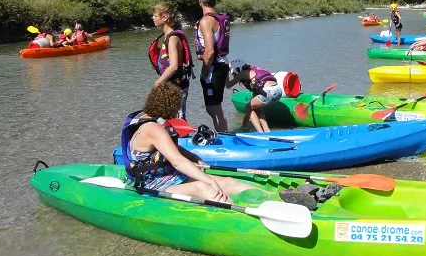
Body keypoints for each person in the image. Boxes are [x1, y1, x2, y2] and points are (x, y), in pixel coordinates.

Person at [120, 83, 315, 208]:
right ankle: (245, 216)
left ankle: (283, 198)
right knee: (205, 188)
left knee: (228, 182)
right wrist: (208, 180)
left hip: (169, 178)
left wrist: (196, 159)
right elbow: (177, 162)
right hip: (151, 185)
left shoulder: (150, 123)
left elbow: (172, 150)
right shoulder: (153, 128)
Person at [194, 0, 231, 131]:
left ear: (200, 0)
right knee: (213, 108)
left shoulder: (206, 21)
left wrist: (204, 72)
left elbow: (209, 51)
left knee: (215, 110)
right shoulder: (221, 19)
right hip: (222, 64)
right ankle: (224, 135)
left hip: (213, 68)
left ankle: (225, 140)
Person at [148, 3, 193, 119]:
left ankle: (182, 137)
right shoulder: (167, 36)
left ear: (165, 17)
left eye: (155, 15)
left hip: (177, 86)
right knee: (169, 117)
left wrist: (157, 83)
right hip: (170, 85)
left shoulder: (173, 38)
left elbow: (173, 66)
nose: (153, 18)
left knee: (178, 118)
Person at [226, 59, 282, 133]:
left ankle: (260, 132)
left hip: (268, 91)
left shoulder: (242, 74)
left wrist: (225, 72)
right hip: (278, 90)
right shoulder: (253, 71)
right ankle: (266, 130)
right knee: (257, 108)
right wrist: (245, 123)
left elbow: (228, 85)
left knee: (248, 107)